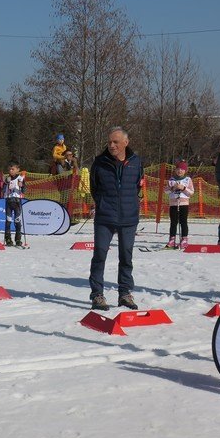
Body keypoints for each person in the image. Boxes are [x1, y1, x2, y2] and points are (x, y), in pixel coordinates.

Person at [89, 127, 142, 311]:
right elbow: (94, 187)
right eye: (109, 142)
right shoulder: (99, 162)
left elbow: (137, 185)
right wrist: (102, 203)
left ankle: (125, 294)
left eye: (116, 142)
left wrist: (131, 204)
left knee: (126, 256)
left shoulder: (136, 162)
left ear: (126, 142)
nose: (112, 145)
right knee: (100, 255)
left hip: (129, 217)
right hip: (105, 217)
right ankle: (97, 295)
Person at [164, 160, 194, 250]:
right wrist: (173, 188)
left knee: (183, 221)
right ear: (175, 170)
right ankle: (172, 239)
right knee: (173, 222)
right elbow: (166, 191)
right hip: (173, 204)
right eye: (178, 169)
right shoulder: (171, 180)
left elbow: (191, 192)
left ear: (185, 171)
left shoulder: (188, 180)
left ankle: (184, 239)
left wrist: (183, 188)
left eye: (182, 169)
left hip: (183, 204)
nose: (179, 171)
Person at [2, 162, 25, 247]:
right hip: (9, 201)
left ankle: (18, 239)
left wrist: (21, 186)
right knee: (8, 221)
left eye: (13, 169)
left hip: (17, 201)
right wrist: (6, 183)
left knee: (17, 221)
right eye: (9, 169)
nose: (11, 171)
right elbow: (3, 190)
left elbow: (24, 190)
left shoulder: (20, 178)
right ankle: (8, 239)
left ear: (17, 170)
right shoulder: (7, 178)